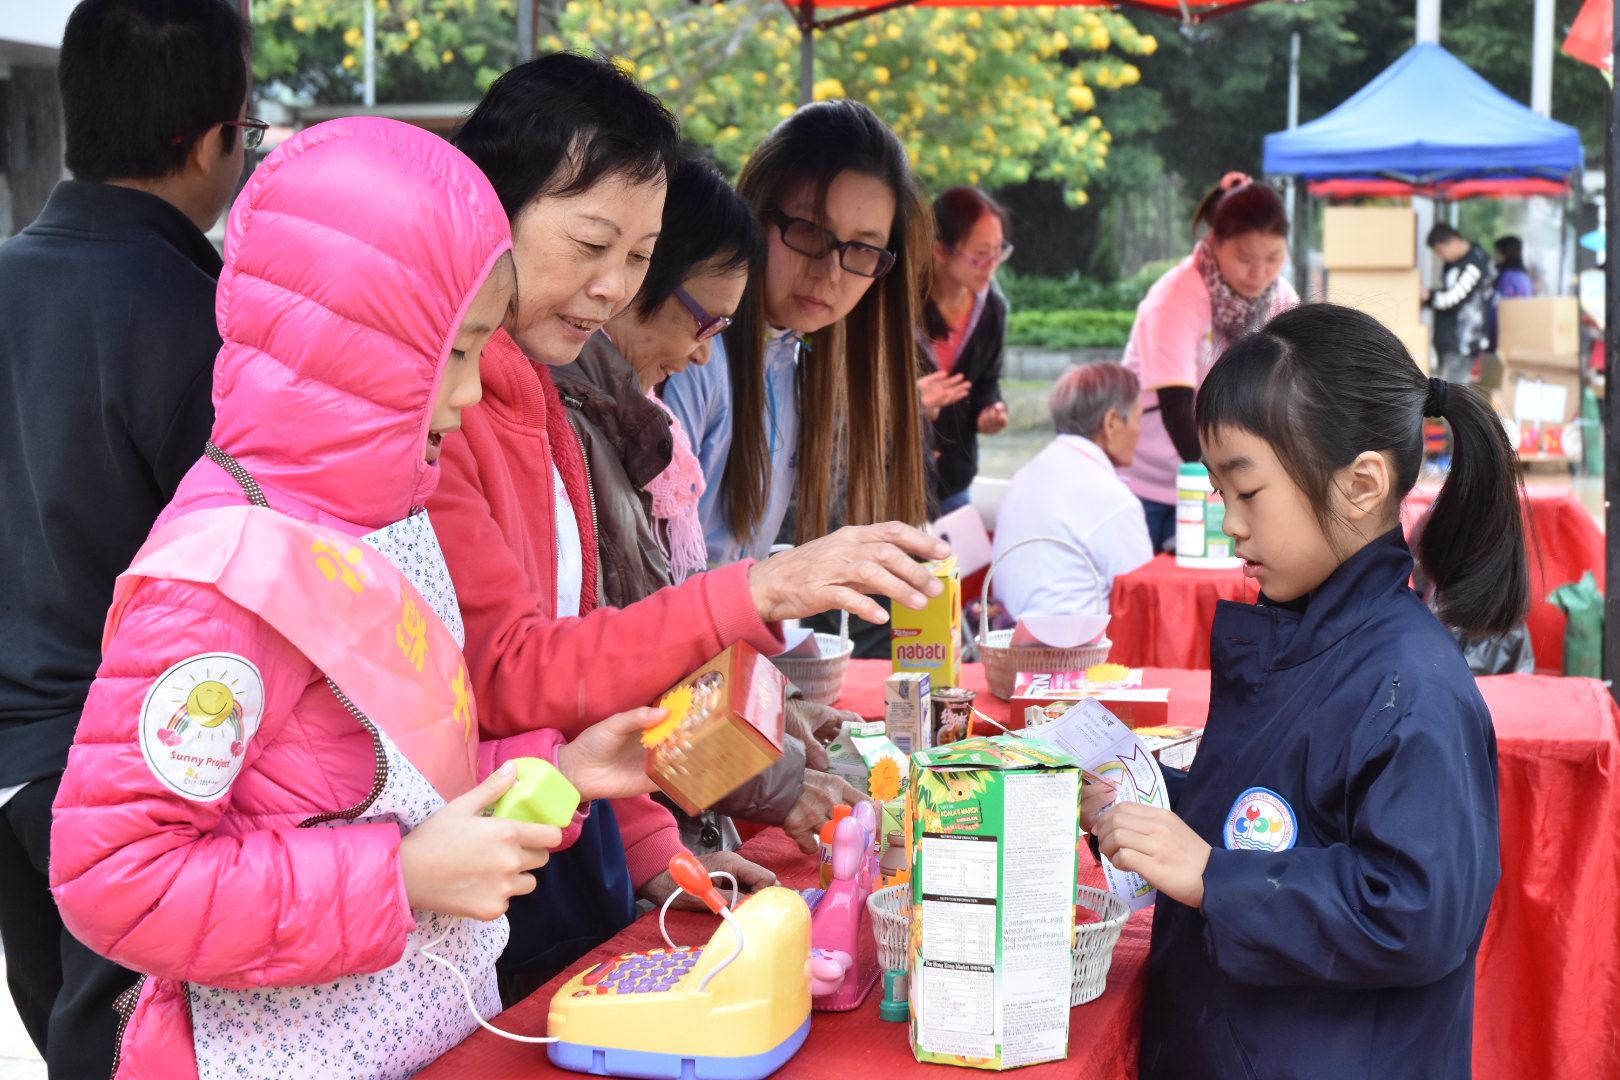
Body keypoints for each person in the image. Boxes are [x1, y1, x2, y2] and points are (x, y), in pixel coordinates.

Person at [49, 116, 669, 1080]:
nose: (467, 398)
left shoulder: (381, 519)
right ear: (358, 348)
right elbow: (116, 879)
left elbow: (390, 770)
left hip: (409, 1037)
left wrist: (557, 768)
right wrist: (403, 877)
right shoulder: (221, 573)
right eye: (453, 355)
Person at [435, 57, 948, 979]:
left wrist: (647, 853)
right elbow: (513, 676)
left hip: (538, 855)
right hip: (467, 886)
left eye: (636, 259)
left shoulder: (552, 404)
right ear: (483, 211)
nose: (612, 289)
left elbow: (595, 676)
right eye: (593, 246)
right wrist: (751, 592)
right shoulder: (456, 415)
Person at [1086, 303, 1522, 1079]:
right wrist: (1150, 808)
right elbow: (1278, 816)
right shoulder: (1306, 638)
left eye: (1247, 494)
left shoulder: (1413, 686)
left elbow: (1414, 912)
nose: (1229, 526)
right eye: (1219, 494)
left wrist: (1215, 874)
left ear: (1360, 485)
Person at [0, 1, 252, 1073]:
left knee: (63, 1033)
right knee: (129, 1050)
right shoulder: (202, 319)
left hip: (15, 762)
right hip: (123, 773)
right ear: (212, 139)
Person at [552, 155, 866, 856]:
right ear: (634, 277)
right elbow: (624, 672)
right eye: (704, 324)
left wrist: (775, 714)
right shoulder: (579, 430)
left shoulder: (633, 425)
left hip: (649, 822)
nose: (702, 358)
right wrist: (769, 779)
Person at [664, 98, 933, 566]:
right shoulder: (691, 356)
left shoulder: (793, 357)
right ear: (757, 211)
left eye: (863, 249)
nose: (829, 272)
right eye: (809, 230)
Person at [1116, 172, 1299, 552]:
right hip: (1150, 481)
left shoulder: (1280, 297)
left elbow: (1295, 389)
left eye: (1274, 258)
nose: (1260, 273)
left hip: (1225, 478)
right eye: (1245, 258)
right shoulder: (1177, 297)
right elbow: (1176, 409)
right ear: (1214, 242)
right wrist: (1230, 482)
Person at [990, 363, 1152, 619]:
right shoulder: (1111, 497)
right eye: (1139, 418)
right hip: (1075, 652)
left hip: (1006, 640)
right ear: (1111, 422)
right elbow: (1143, 600)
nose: (1140, 432)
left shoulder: (1026, 474)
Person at [919, 187, 1012, 516]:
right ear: (940, 251)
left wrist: (989, 410)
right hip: (897, 482)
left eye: (998, 251)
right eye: (979, 254)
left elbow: (986, 382)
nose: (991, 265)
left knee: (958, 568)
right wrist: (912, 405)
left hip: (954, 484)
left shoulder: (992, 312)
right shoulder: (898, 313)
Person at [1423, 222, 1492, 384]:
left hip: (1462, 345)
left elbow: (1454, 298)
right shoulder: (1455, 263)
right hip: (1448, 343)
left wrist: (1428, 296)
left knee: (1450, 399)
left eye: (1441, 251)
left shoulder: (1475, 263)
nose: (1441, 256)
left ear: (1454, 242)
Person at [1488, 234, 1535, 351]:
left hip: (1504, 342)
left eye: (1497, 253)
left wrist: (1492, 342)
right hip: (1519, 339)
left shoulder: (1507, 278)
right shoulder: (1523, 277)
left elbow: (1498, 311)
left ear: (1504, 254)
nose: (1494, 257)